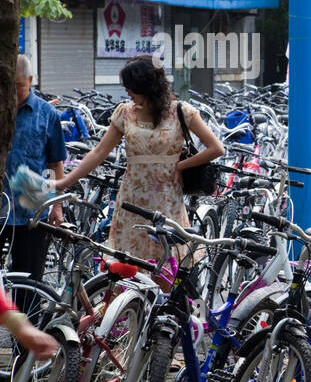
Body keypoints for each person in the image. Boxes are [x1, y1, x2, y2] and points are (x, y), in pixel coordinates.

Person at [55, 58, 224, 278]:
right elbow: (98, 152)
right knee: (127, 270)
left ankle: (165, 311)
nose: (127, 92)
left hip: (166, 200)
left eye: (131, 87)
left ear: (148, 87)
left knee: (163, 270)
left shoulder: (182, 111)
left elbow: (216, 148)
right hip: (131, 200)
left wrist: (180, 166)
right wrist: (66, 182)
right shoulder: (125, 112)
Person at [2, 56, 67, 300]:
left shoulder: (47, 114)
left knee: (28, 278)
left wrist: (56, 204)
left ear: (30, 80)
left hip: (32, 211)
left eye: (18, 86)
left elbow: (55, 164)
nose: (13, 93)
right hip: (1, 206)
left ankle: (25, 335)